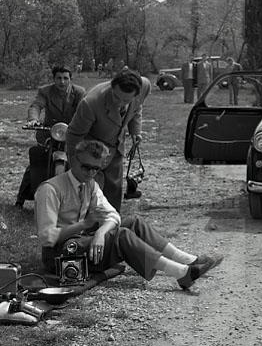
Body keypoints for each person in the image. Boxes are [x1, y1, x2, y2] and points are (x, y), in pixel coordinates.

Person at [35, 140, 222, 290]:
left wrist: (100, 233)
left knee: (133, 222)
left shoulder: (90, 185)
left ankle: (188, 260)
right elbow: (47, 238)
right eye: (86, 167)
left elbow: (113, 216)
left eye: (96, 169)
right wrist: (84, 225)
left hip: (81, 243)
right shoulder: (50, 189)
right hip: (60, 254)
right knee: (122, 235)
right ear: (73, 159)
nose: (91, 173)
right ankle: (182, 273)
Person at [66, 69, 151, 212]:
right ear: (112, 87)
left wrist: (135, 131)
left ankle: (112, 221)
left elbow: (137, 108)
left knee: (114, 188)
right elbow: (73, 135)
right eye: (116, 97)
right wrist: (76, 166)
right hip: (91, 148)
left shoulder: (144, 86)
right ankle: (85, 222)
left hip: (115, 146)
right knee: (90, 192)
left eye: (126, 100)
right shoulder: (91, 103)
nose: (120, 103)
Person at [16, 65, 86, 208]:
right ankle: (20, 199)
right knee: (37, 161)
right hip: (49, 131)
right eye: (58, 78)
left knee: (80, 163)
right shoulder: (45, 91)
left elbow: (83, 110)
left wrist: (81, 126)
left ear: (70, 79)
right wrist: (33, 119)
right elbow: (36, 105)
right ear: (54, 79)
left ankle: (82, 199)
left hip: (71, 132)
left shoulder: (79, 92)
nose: (62, 81)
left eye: (65, 78)